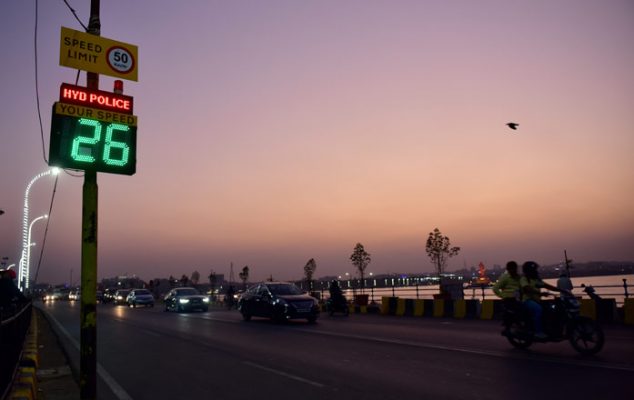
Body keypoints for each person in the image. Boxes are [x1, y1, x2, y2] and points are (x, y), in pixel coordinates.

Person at [519, 261, 567, 339]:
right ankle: (538, 332)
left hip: (537, 301)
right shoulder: (524, 279)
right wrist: (540, 294)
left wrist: (562, 290)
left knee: (551, 310)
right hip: (527, 301)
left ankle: (551, 330)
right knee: (538, 309)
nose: (536, 271)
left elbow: (547, 286)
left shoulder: (536, 280)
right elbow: (527, 288)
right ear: (528, 271)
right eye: (534, 269)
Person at [493, 261, 522, 333]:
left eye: (514, 268)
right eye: (511, 269)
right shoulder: (505, 277)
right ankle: (508, 328)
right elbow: (495, 288)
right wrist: (503, 296)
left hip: (518, 298)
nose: (513, 270)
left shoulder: (519, 277)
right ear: (508, 269)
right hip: (509, 299)